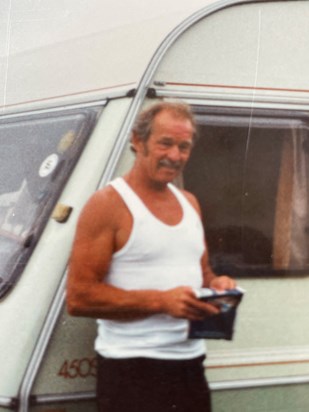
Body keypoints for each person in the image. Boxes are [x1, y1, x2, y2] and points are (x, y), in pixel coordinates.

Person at [66, 101, 236, 412]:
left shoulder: (190, 203)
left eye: (184, 146)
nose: (175, 155)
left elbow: (202, 275)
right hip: (131, 370)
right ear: (137, 141)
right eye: (166, 143)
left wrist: (218, 285)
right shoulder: (108, 204)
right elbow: (79, 297)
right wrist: (160, 301)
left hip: (190, 363)